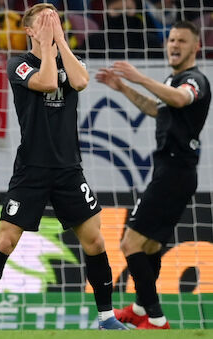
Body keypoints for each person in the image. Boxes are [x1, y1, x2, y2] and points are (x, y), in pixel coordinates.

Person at [0, 3, 127, 331]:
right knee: (6, 240)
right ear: (29, 30)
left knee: (94, 241)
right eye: (44, 21)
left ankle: (107, 318)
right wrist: (49, 47)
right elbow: (48, 83)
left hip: (68, 169)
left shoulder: (69, 59)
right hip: (31, 169)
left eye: (56, 20)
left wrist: (60, 42)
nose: (52, 24)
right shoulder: (18, 64)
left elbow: (80, 82)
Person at [96, 20, 211, 330]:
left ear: (195, 46)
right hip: (171, 171)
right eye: (171, 39)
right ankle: (137, 309)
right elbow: (157, 108)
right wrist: (123, 87)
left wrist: (138, 76)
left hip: (175, 173)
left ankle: (157, 320)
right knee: (149, 247)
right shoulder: (171, 80)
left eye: (182, 41)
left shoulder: (195, 80)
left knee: (129, 245)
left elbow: (180, 99)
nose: (174, 45)